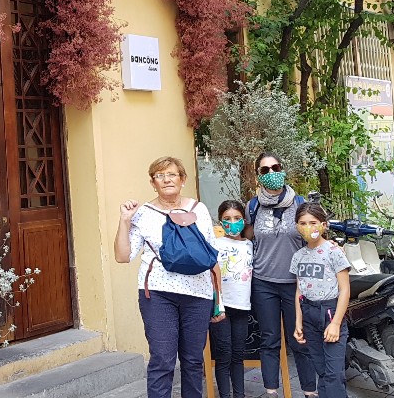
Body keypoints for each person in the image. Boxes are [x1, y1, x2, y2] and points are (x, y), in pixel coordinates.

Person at [114, 156, 222, 398]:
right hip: (158, 293)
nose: (166, 180)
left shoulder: (199, 209)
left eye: (172, 174)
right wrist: (124, 221)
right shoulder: (143, 213)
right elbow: (122, 256)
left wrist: (219, 301)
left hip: (198, 293)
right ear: (153, 183)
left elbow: (212, 256)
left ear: (182, 179)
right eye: (160, 176)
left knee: (193, 360)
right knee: (162, 359)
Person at [244, 152, 317, 398]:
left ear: (283, 169)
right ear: (258, 176)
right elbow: (247, 238)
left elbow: (314, 237)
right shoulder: (253, 207)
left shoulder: (299, 204)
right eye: (265, 170)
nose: (271, 173)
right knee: (269, 340)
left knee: (300, 339)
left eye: (275, 167)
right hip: (263, 282)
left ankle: (310, 391)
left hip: (295, 283)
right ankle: (271, 391)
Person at [292, 200, 351, 398]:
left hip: (330, 312)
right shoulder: (298, 256)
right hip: (308, 314)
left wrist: (336, 323)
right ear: (297, 226)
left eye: (313, 223)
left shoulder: (334, 252)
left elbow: (344, 289)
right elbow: (299, 290)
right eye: (303, 223)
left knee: (334, 374)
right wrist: (298, 322)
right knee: (322, 371)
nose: (308, 227)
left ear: (323, 225)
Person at [209, 200, 254, 398]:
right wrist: (215, 306)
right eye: (227, 219)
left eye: (237, 218)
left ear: (244, 220)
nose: (233, 223)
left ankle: (239, 394)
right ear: (221, 221)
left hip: (242, 307)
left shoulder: (250, 244)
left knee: (238, 355)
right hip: (222, 307)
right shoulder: (215, 243)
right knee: (223, 355)